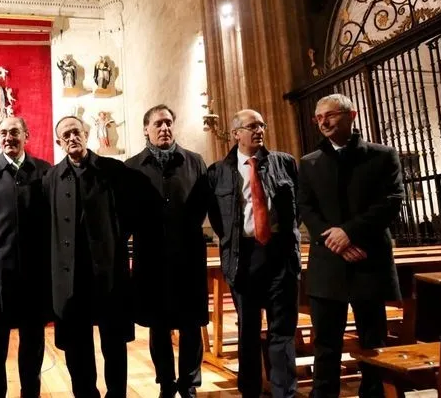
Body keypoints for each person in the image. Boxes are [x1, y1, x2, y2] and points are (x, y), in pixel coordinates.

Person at [298, 94, 403, 398]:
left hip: (368, 259)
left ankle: (373, 393)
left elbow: (391, 201)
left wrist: (350, 233)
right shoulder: (309, 162)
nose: (324, 122)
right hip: (328, 262)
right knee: (326, 343)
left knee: (373, 341)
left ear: (351, 115)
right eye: (319, 118)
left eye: (330, 115)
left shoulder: (382, 156)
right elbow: (306, 207)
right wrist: (335, 240)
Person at [207, 109, 301, 398]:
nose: (259, 130)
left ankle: (285, 392)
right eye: (251, 126)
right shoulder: (218, 172)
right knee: (248, 330)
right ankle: (249, 391)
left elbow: (296, 208)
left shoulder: (283, 162)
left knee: (282, 329)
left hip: (279, 254)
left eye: (262, 125)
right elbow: (217, 216)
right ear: (236, 133)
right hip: (243, 257)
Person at [45, 115, 139, 398]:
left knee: (113, 342)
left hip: (108, 272)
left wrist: (115, 244)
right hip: (70, 276)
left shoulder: (113, 170)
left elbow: (131, 214)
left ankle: (117, 394)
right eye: (66, 135)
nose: (73, 137)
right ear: (59, 142)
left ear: (86, 134)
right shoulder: (51, 177)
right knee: (76, 344)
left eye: (77, 131)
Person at [125, 105, 209, 398]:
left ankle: (189, 383)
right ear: (146, 129)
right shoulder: (132, 166)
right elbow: (127, 212)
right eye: (158, 123)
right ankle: (166, 383)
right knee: (158, 326)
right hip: (151, 259)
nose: (165, 128)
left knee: (191, 325)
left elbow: (202, 205)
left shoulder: (194, 161)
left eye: (169, 123)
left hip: (188, 256)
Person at [0, 117, 52, 398]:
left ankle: (31, 393)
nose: (8, 137)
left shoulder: (44, 171)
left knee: (33, 341)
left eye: (14, 132)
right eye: (3, 132)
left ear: (26, 135)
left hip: (35, 273)